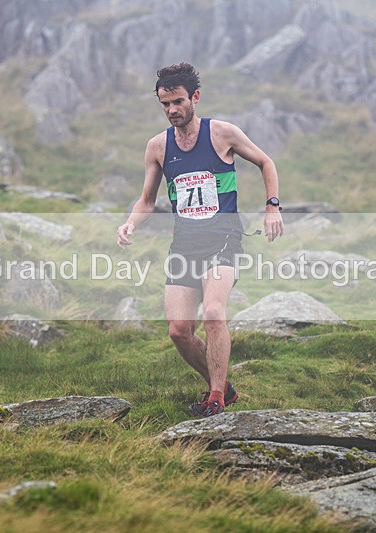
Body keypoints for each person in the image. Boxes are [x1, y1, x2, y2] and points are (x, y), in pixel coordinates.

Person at [117, 62, 284, 417]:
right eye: (165, 104)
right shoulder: (158, 147)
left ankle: (216, 398)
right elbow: (146, 200)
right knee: (178, 330)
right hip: (184, 244)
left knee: (213, 312)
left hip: (224, 238)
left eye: (178, 102)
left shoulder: (222, 134)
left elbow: (266, 163)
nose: (172, 110)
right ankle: (222, 386)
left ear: (195, 97)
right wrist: (130, 224)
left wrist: (272, 206)